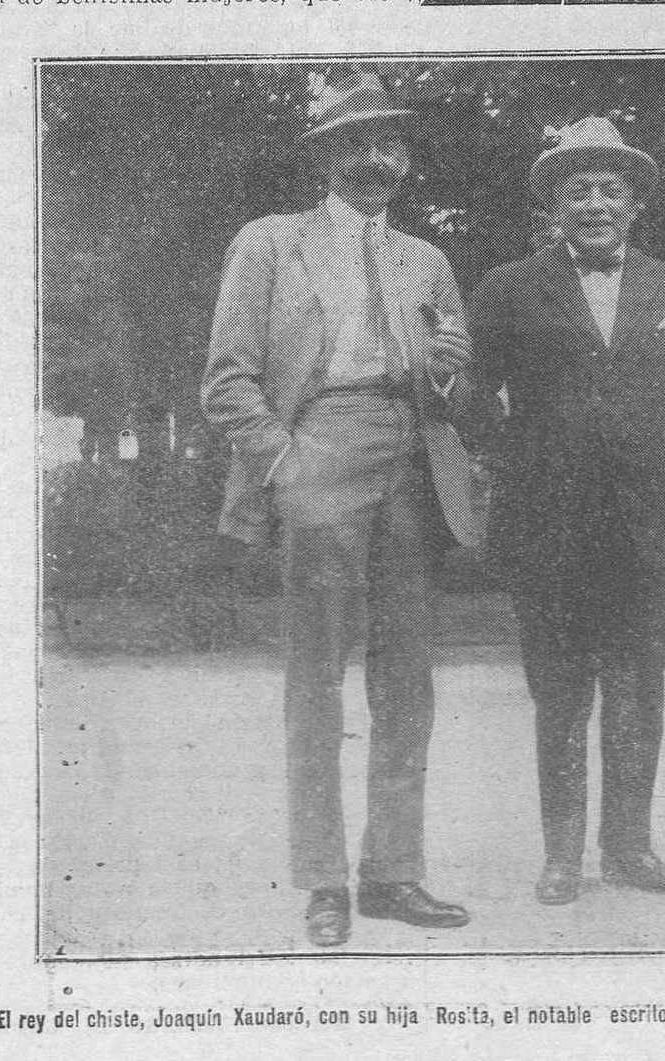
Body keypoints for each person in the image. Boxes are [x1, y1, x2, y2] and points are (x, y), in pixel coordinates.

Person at [202, 69, 484, 947]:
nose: (374, 159)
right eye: (354, 143)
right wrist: (287, 463)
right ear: (325, 157)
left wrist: (445, 363)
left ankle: (395, 871)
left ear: (405, 160)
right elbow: (227, 381)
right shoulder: (271, 243)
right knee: (315, 680)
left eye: (390, 143)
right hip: (320, 445)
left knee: (408, 681)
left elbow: (459, 381)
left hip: (414, 458)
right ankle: (324, 880)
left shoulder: (426, 260)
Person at [467, 118, 665, 906]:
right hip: (551, 529)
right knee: (562, 691)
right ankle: (563, 855)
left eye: (611, 189)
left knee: (640, 688)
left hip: (648, 528)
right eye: (579, 190)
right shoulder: (508, 287)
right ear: (556, 205)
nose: (596, 203)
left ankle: (631, 848)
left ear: (635, 203)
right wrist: (520, 458)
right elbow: (472, 400)